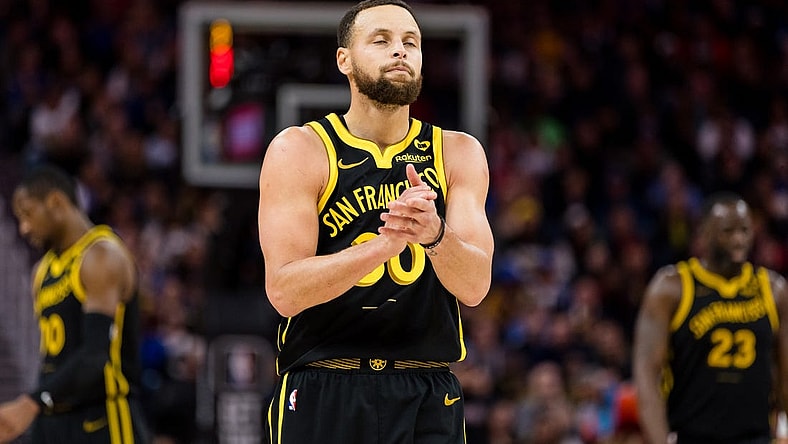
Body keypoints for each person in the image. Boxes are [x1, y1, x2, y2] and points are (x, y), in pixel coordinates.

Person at [256, 0, 494, 442]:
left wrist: (435, 235)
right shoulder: (300, 150)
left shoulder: (458, 153)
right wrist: (383, 247)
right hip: (324, 384)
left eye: (411, 42)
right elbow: (284, 291)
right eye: (381, 40)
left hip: (425, 388)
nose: (400, 51)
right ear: (344, 60)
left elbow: (476, 286)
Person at [0, 165, 150, 444]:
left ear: (56, 202)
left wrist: (31, 402)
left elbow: (95, 358)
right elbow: (53, 360)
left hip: (103, 417)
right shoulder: (41, 272)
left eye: (28, 214)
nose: (24, 228)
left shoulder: (101, 256)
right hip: (54, 416)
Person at [633, 192, 788, 444]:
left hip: (757, 436)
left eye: (745, 230)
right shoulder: (672, 288)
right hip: (692, 435)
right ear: (704, 233)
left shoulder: (773, 290)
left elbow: (785, 377)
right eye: (728, 231)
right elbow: (647, 377)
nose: (738, 240)